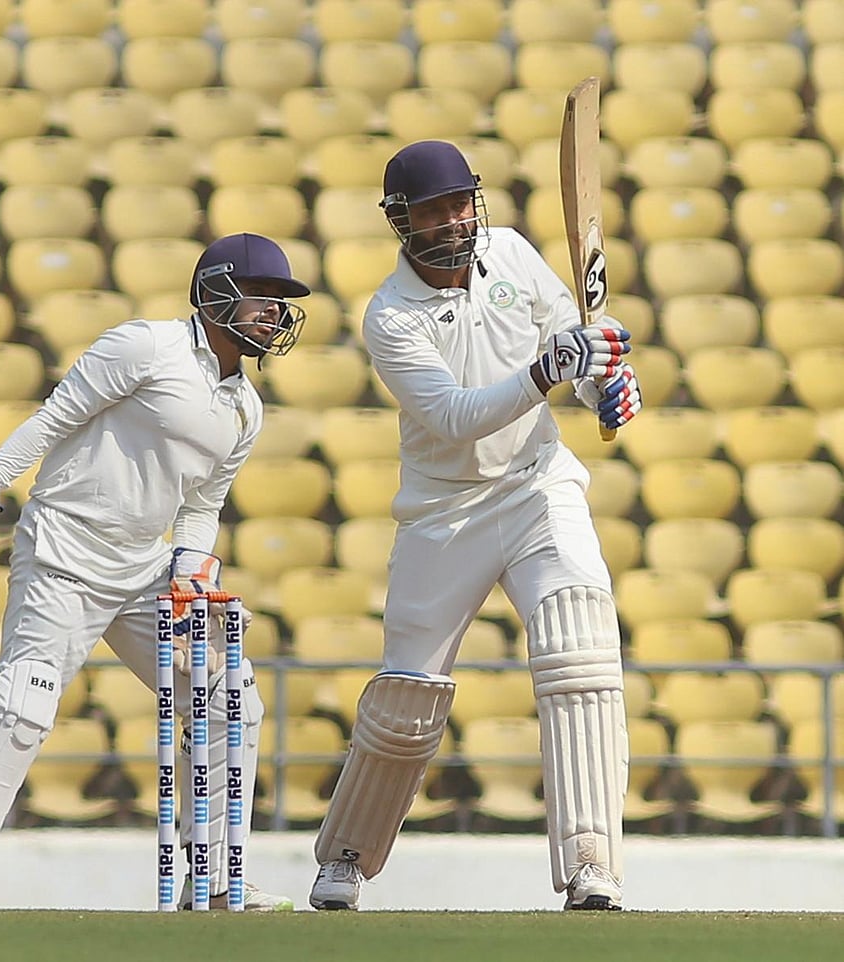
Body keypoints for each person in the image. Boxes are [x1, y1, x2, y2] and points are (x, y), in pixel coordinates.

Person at [308, 141, 642, 912]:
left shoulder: (513, 253)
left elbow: (577, 344)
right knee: (406, 700)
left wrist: (604, 388)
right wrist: (544, 371)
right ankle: (347, 858)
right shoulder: (389, 316)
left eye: (462, 203)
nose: (455, 220)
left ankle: (592, 862)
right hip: (443, 513)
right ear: (401, 221)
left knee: (581, 650)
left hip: (536, 486)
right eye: (435, 209)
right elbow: (456, 419)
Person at [0, 232, 311, 912]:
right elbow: (55, 418)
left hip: (144, 569)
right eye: (265, 299)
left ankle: (219, 877)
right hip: (64, 551)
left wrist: (194, 569)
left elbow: (202, 507)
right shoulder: (146, 346)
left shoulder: (245, 409)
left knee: (234, 698)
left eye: (282, 304)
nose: (274, 315)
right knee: (26, 702)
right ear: (217, 292)